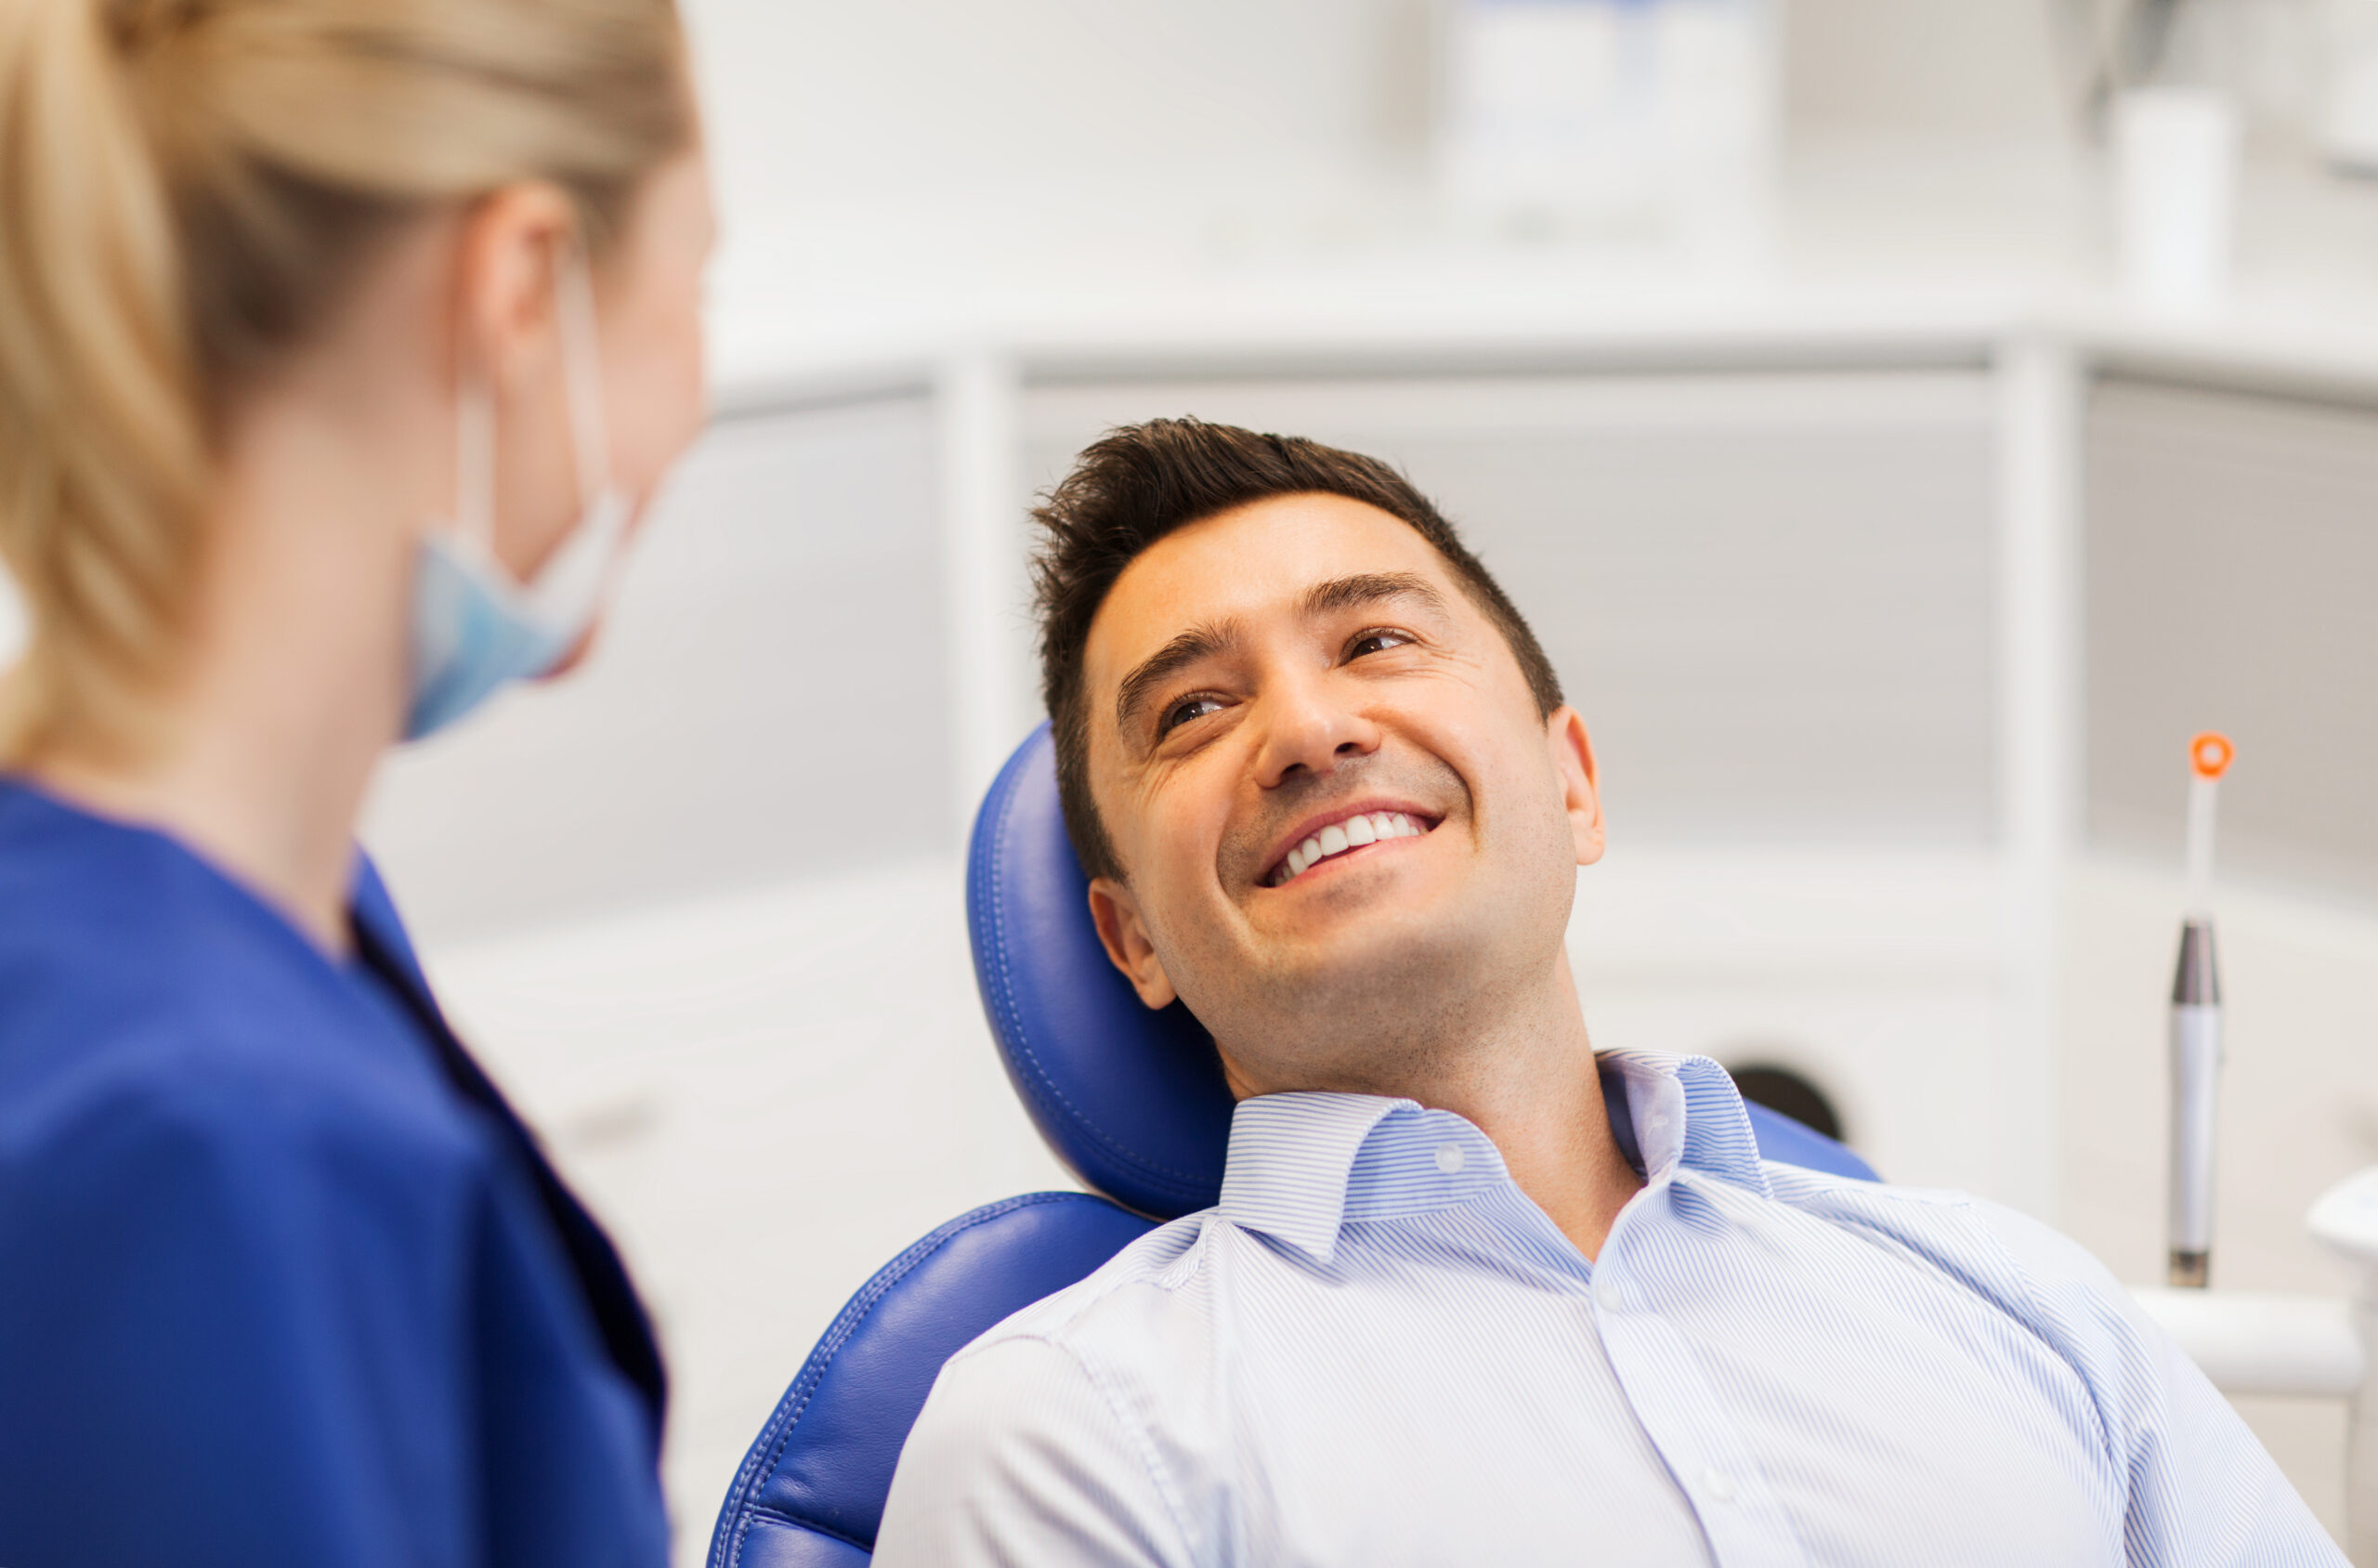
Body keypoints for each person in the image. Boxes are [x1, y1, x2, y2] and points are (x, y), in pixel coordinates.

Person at [871, 419, 2339, 1566]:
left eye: (1375, 639)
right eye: (1195, 709)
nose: (1309, 728)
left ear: (1571, 780)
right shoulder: (1067, 1439)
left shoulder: (2009, 1299)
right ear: (1130, 939)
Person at [0, 1, 710, 1563]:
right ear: (524, 287)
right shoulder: (200, 1132)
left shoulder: (241, 939)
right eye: (695, 273)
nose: (700, 393)